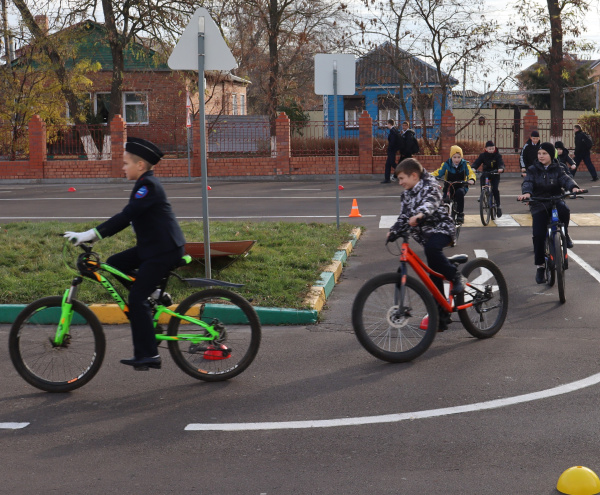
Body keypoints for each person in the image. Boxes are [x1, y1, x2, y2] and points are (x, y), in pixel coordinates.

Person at [64, 137, 186, 370]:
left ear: (140, 165)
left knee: (136, 298)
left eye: (126, 163)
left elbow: (126, 216)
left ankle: (149, 355)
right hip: (153, 246)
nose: (122, 168)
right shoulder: (144, 184)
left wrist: (91, 234)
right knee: (115, 263)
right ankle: (156, 293)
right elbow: (128, 216)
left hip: (163, 250)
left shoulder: (147, 186)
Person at [389, 158, 467, 331]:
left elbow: (430, 203)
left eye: (402, 178)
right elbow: (403, 215)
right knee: (433, 275)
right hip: (425, 235)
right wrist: (394, 230)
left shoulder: (430, 186)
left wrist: (420, 214)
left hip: (442, 229)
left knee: (432, 251)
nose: (400, 182)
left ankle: (456, 276)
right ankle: (442, 315)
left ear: (414, 175)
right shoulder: (406, 194)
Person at [517, 142, 584, 284]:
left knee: (564, 210)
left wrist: (574, 188)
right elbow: (528, 182)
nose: (541, 156)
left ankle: (565, 233)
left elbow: (566, 179)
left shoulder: (559, 168)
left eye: (544, 153)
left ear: (551, 155)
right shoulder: (532, 169)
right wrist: (527, 194)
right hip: (539, 203)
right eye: (539, 154)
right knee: (539, 235)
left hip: (555, 200)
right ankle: (540, 266)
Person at [431, 145, 476, 224]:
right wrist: (429, 176)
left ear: (461, 157)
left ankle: (460, 214)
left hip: (461, 186)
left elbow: (471, 173)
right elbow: (438, 172)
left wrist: (471, 179)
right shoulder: (446, 164)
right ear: (451, 157)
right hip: (449, 186)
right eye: (454, 157)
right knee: (445, 200)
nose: (457, 159)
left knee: (459, 193)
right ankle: (443, 217)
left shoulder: (465, 164)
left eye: (459, 157)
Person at [472, 140, 505, 217]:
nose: (491, 150)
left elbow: (501, 163)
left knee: (495, 189)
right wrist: (473, 167)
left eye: (492, 148)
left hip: (495, 173)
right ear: (486, 149)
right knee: (482, 179)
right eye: (489, 149)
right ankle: (482, 194)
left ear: (494, 148)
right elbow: (477, 162)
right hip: (486, 173)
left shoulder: (497, 155)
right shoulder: (483, 155)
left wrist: (501, 168)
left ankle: (498, 206)